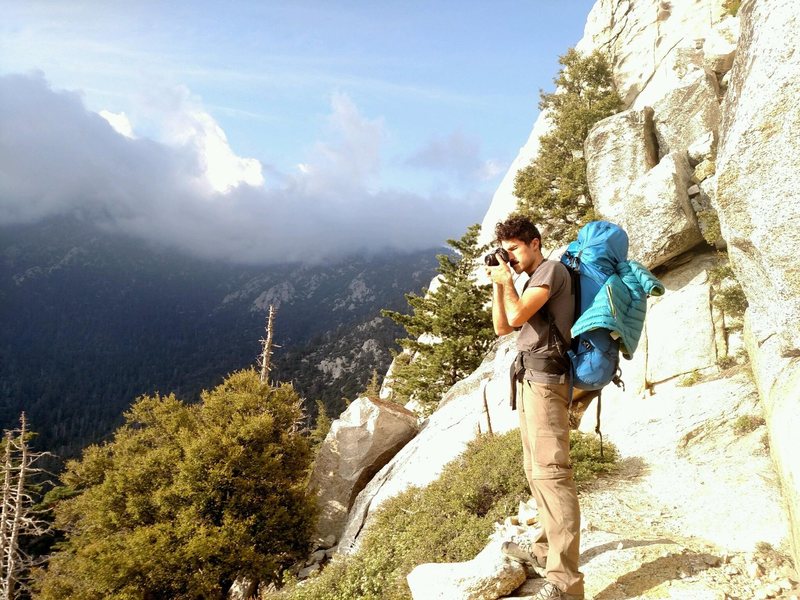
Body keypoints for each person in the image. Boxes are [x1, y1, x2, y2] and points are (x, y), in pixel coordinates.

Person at [485, 214, 584, 600]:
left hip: (547, 383)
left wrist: (508, 282)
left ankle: (565, 582)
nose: (510, 257)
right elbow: (502, 327)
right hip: (529, 379)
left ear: (535, 243)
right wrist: (499, 283)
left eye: (514, 250)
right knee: (535, 470)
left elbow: (517, 315)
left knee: (552, 475)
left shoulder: (550, 272)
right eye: (505, 251)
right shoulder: (526, 279)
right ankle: (543, 548)